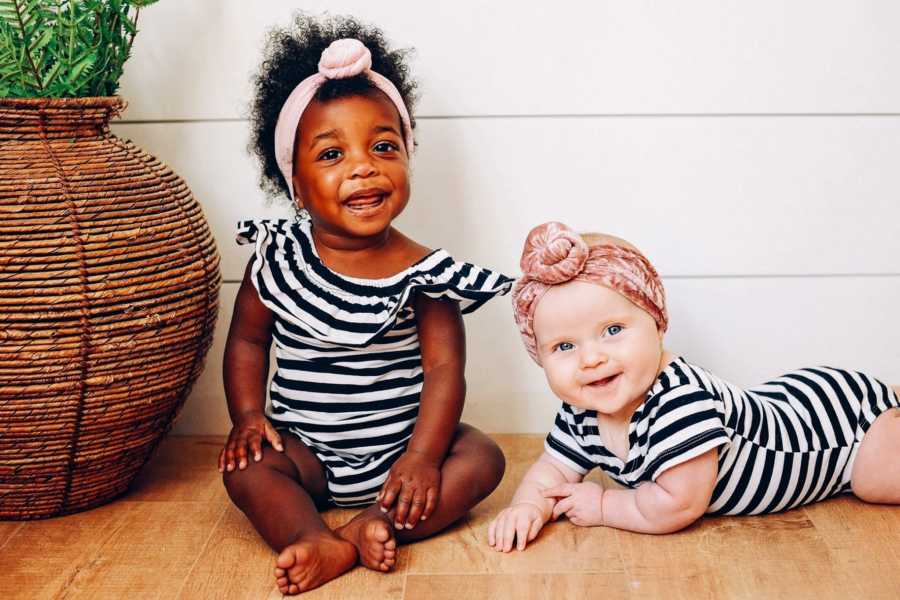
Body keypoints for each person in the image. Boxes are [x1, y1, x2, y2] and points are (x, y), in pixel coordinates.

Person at [220, 15, 512, 594]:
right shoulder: (276, 259)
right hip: (309, 455)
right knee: (248, 470)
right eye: (332, 155)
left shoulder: (426, 273)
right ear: (295, 184)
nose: (363, 166)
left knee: (483, 457)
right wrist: (250, 418)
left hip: (404, 448)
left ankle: (377, 522)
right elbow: (248, 342)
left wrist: (425, 456)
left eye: (384, 146)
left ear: (406, 157)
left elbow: (444, 371)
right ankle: (311, 535)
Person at [488, 221, 900, 552]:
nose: (591, 358)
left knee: (876, 481)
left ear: (657, 323)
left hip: (838, 427)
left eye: (612, 330)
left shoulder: (681, 402)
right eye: (564, 346)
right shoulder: (582, 411)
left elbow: (679, 504)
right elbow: (554, 468)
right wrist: (528, 506)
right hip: (795, 396)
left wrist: (603, 504)